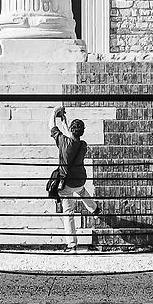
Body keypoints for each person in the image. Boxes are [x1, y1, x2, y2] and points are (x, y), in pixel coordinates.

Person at [48, 107, 94, 252]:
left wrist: (54, 113)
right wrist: (65, 121)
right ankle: (93, 208)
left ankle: (72, 245)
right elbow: (72, 138)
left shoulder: (62, 142)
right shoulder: (83, 145)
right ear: (82, 132)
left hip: (66, 184)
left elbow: (51, 126)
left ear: (72, 130)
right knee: (81, 191)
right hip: (80, 180)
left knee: (68, 214)